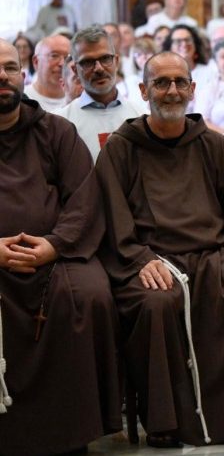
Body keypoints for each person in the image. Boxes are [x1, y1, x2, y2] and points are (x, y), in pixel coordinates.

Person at [95, 51, 224, 448]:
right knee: (156, 303)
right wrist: (139, 260)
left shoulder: (214, 145)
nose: (171, 91)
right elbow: (114, 222)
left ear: (193, 88)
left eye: (180, 82)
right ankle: (163, 420)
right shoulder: (120, 148)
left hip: (212, 257)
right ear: (143, 90)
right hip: (151, 259)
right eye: (162, 83)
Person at [0, 39, 120, 456]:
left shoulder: (56, 131)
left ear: (23, 75)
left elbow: (85, 200)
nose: (3, 77)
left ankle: (73, 430)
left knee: (90, 296)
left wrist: (53, 245)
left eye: (10, 69)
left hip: (57, 253)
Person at [54, 26, 145, 162]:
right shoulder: (60, 122)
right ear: (75, 70)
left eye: (105, 58)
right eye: (88, 62)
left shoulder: (142, 116)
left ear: (116, 61)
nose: (99, 68)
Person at [23, 34, 69, 111]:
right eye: (54, 56)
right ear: (36, 61)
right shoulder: (22, 100)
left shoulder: (79, 100)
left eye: (67, 57)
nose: (62, 63)